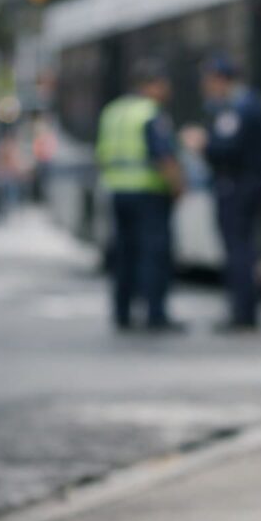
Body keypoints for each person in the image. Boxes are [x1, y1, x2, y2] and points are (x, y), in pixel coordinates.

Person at [95, 59, 184, 333]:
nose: (167, 90)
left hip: (119, 192)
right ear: (151, 85)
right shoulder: (149, 113)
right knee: (153, 255)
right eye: (163, 84)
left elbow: (101, 153)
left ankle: (122, 313)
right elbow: (163, 157)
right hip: (148, 193)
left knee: (124, 254)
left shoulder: (113, 111)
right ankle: (155, 314)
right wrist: (178, 187)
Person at [182, 55, 261, 332]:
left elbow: (227, 149)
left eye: (209, 81)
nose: (206, 87)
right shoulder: (243, 105)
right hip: (243, 185)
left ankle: (242, 313)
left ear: (221, 80)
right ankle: (243, 310)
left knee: (238, 252)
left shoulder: (238, 109)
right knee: (241, 250)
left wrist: (202, 144)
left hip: (237, 187)